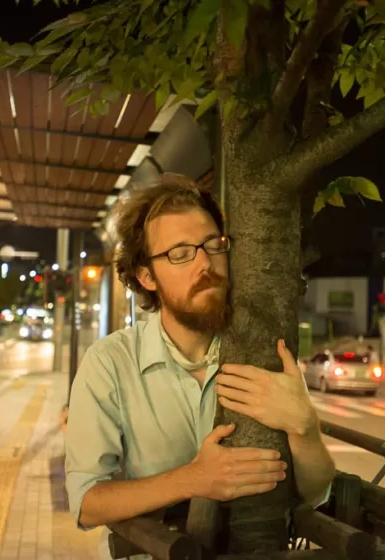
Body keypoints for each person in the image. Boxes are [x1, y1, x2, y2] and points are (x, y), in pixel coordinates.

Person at [65, 174, 335, 557]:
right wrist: (193, 479)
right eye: (180, 253)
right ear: (146, 276)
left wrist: (305, 428)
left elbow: (317, 492)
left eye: (213, 245)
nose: (205, 264)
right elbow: (87, 502)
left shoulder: (261, 353)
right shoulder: (110, 363)